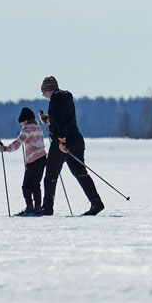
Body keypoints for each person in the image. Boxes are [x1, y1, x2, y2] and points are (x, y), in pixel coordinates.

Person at [38, 75, 105, 216]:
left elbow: (61, 122)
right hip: (77, 139)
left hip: (63, 142)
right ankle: (96, 202)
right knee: (80, 173)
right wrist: (49, 120)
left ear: (48, 90)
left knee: (50, 175)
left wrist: (62, 141)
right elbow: (63, 119)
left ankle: (47, 208)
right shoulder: (66, 98)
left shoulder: (55, 100)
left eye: (43, 93)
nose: (44, 96)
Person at [0, 107, 48, 216]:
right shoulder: (38, 127)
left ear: (25, 120)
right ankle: (38, 207)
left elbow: (18, 142)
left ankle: (29, 208)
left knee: (26, 186)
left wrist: (6, 148)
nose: (21, 125)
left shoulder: (27, 129)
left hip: (33, 160)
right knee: (36, 184)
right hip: (43, 158)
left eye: (22, 123)